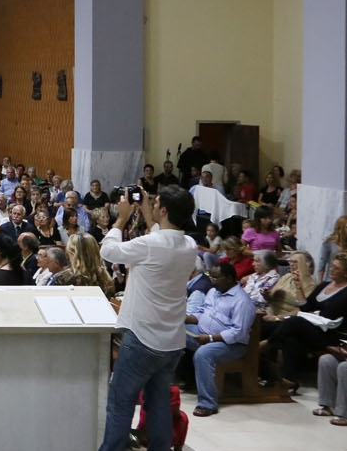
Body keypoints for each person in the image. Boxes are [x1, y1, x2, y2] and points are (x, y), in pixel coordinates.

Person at [97, 185, 198, 451]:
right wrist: (147, 213)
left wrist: (121, 218)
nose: (151, 205)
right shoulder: (190, 246)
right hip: (172, 340)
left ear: (163, 210)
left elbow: (107, 251)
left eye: (155, 204)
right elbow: (164, 237)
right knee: (159, 406)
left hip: (142, 338)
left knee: (120, 403)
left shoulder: (150, 245)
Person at [264, 251, 347, 393]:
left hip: (331, 333)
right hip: (314, 327)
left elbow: (327, 315)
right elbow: (307, 307)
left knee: (293, 322)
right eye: (332, 266)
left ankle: (264, 346)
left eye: (336, 268)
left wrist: (311, 313)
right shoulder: (324, 286)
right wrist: (298, 287)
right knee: (291, 336)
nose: (331, 269)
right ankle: (290, 379)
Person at [181, 260, 255, 417]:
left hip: (230, 345)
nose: (211, 280)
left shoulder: (242, 301)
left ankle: (207, 403)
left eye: (215, 277)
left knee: (203, 354)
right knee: (171, 331)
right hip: (203, 333)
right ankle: (172, 381)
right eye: (210, 276)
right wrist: (185, 319)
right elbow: (202, 312)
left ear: (228, 278)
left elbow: (238, 333)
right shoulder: (214, 291)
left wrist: (210, 338)